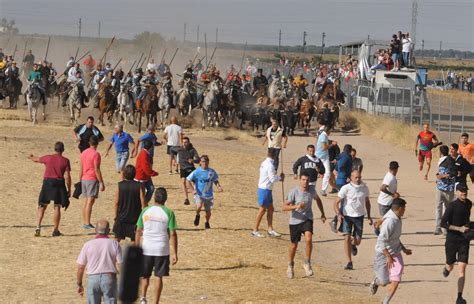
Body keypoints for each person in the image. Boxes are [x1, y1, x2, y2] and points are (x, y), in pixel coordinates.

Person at [135, 188, 178, 304]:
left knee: (145, 275)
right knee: (158, 276)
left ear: (154, 198)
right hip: (161, 249)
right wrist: (175, 253)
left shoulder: (145, 211)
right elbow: (173, 234)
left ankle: (143, 298)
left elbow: (138, 230)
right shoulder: (169, 213)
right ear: (165, 199)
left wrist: (136, 247)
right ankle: (156, 302)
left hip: (146, 248)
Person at [369, 199, 413, 304]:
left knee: (396, 280)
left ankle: (385, 302)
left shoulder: (397, 217)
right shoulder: (390, 221)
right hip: (382, 254)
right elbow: (381, 241)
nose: (405, 210)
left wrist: (403, 249)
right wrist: (388, 256)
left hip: (396, 253)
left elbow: (395, 238)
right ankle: (376, 281)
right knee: (384, 282)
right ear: (400, 209)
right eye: (404, 208)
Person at [284, 173, 326, 278]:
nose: (305, 182)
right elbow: (284, 207)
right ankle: (290, 264)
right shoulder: (294, 191)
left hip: (307, 218)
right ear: (300, 180)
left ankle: (307, 263)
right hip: (295, 221)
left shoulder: (311, 190)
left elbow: (318, 200)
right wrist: (297, 206)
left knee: (308, 238)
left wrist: (322, 214)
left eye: (307, 180)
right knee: (294, 245)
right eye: (303, 180)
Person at [28, 142, 71, 237]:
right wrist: (69, 188)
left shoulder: (48, 157)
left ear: (55, 149)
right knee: (57, 206)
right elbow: (67, 176)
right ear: (63, 150)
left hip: (47, 183)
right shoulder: (66, 161)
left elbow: (36, 159)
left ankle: (38, 226)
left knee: (42, 205)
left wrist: (31, 157)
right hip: (59, 183)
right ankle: (55, 230)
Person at [334, 170, 373, 270]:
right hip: (347, 216)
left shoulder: (365, 188)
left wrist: (369, 216)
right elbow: (335, 203)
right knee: (346, 237)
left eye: (359, 177)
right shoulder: (346, 188)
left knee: (358, 241)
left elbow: (367, 202)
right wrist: (338, 214)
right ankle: (349, 262)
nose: (358, 179)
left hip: (359, 216)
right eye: (356, 177)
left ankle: (353, 244)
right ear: (351, 178)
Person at [76, 219, 122, 304]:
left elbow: (81, 267)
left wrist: (79, 283)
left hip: (93, 278)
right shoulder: (114, 244)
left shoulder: (88, 245)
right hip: (109, 278)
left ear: (95, 230)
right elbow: (120, 264)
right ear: (108, 230)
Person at [441, 183, 472, 304]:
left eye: (465, 191)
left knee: (462, 269)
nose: (464, 192)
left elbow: (466, 220)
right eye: (461, 191)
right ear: (456, 192)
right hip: (452, 240)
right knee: (450, 265)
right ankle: (447, 268)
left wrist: (469, 227)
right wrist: (459, 229)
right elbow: (443, 223)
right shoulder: (452, 206)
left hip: (464, 240)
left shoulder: (469, 204)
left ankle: (459, 297)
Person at [252, 148, 285, 238]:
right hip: (265, 189)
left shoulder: (264, 163)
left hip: (266, 189)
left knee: (271, 208)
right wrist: (280, 178)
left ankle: (270, 229)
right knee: (262, 209)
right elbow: (272, 179)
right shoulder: (270, 165)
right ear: (274, 155)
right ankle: (255, 230)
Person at [187, 155, 223, 229]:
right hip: (199, 194)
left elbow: (215, 180)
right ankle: (197, 215)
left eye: (206, 161)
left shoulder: (212, 171)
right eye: (203, 161)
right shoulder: (196, 171)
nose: (205, 163)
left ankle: (207, 222)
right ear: (200, 162)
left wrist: (218, 186)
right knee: (199, 206)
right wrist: (192, 190)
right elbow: (188, 180)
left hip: (208, 195)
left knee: (208, 212)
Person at [113, 165, 145, 242]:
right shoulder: (139, 186)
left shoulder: (120, 185)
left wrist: (115, 216)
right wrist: (143, 217)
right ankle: (134, 254)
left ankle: (112, 253)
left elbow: (116, 202)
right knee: (134, 240)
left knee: (117, 239)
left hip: (121, 217)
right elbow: (143, 202)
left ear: (124, 174)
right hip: (135, 217)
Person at [79, 135, 105, 229]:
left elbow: (81, 168)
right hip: (91, 178)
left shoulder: (83, 153)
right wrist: (101, 182)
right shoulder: (96, 154)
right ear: (97, 143)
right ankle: (87, 223)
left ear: (89, 143)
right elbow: (96, 169)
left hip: (84, 178)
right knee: (90, 201)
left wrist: (80, 179)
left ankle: (85, 221)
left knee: (86, 201)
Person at [434, 145, 456, 235]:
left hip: (448, 189)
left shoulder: (449, 160)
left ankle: (445, 229)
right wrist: (438, 176)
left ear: (441, 152)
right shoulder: (442, 160)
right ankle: (438, 228)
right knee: (438, 208)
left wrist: (442, 176)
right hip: (440, 187)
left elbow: (454, 172)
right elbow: (440, 172)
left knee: (447, 209)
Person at [176, 137, 200, 205]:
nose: (184, 143)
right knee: (183, 182)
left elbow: (198, 160)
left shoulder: (192, 150)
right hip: (183, 169)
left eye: (186, 142)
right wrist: (176, 162)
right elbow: (172, 151)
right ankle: (186, 199)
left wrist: (193, 160)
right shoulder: (179, 150)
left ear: (189, 142)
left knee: (195, 182)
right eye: (183, 142)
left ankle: (197, 195)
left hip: (191, 168)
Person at [316, 122, 335, 196]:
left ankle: (323, 190)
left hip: (324, 156)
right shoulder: (324, 135)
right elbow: (324, 147)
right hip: (320, 156)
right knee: (315, 172)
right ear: (328, 130)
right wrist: (332, 145)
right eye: (330, 130)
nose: (331, 132)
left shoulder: (323, 135)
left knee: (327, 172)